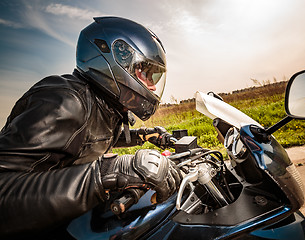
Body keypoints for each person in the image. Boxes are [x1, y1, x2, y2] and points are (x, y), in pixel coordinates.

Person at [0, 16, 181, 239]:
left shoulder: (106, 106)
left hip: (71, 219)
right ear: (114, 60)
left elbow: (91, 138)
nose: (152, 86)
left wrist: (144, 136)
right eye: (145, 73)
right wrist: (109, 171)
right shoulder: (64, 102)